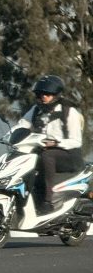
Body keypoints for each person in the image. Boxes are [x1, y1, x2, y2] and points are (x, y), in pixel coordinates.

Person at [15, 74, 84, 213]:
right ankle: (24, 202)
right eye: (40, 94)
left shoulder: (69, 111)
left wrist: (56, 143)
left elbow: (76, 141)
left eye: (47, 94)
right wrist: (12, 136)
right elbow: (21, 125)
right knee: (24, 158)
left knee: (48, 155)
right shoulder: (36, 110)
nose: (43, 97)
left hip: (70, 156)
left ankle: (48, 201)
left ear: (56, 95)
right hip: (44, 151)